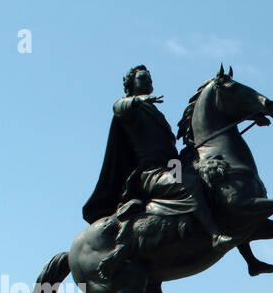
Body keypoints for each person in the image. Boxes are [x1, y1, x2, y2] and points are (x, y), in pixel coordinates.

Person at [83, 64, 233, 279]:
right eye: (143, 78)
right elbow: (118, 107)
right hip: (150, 173)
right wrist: (137, 100)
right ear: (131, 86)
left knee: (210, 184)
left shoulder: (155, 112)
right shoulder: (131, 109)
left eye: (149, 78)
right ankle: (215, 235)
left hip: (169, 167)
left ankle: (250, 258)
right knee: (188, 184)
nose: (148, 82)